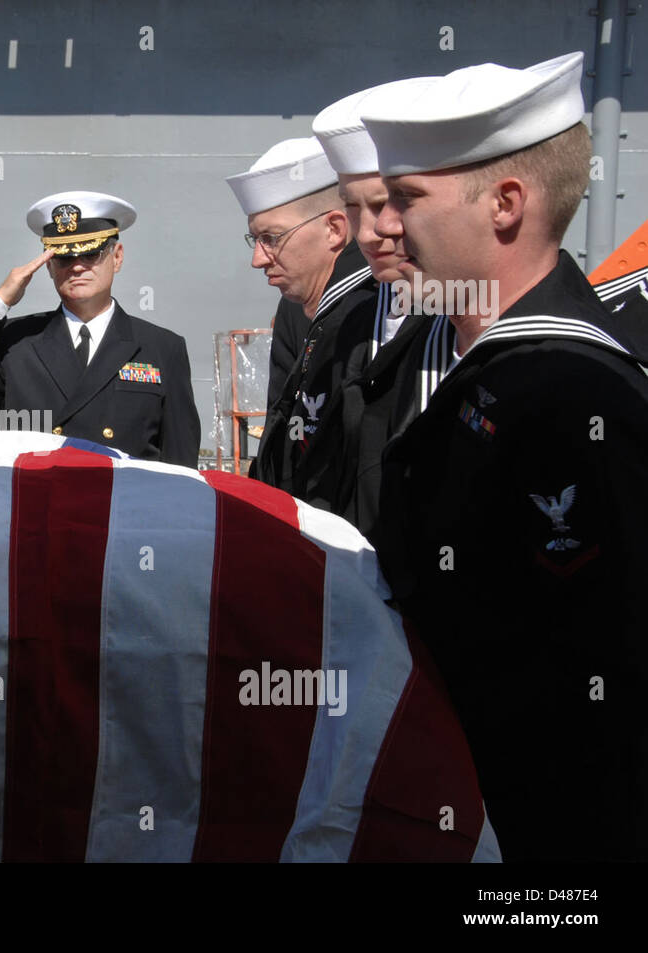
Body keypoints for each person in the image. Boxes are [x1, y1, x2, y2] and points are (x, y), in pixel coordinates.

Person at [363, 51, 648, 861]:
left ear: (506, 203)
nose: (382, 226)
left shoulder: (574, 395)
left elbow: (610, 697)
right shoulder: (466, 361)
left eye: (406, 199)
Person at [0, 191, 200, 466]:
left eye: (91, 254)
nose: (76, 267)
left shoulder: (161, 347)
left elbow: (180, 460)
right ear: (49, 266)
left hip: (123, 508)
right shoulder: (17, 342)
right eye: (63, 257)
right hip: (38, 506)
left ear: (117, 257)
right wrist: (0, 301)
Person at [311, 78, 457, 538]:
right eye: (355, 208)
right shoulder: (352, 319)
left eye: (390, 203)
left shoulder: (469, 313)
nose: (371, 231)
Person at [226, 138, 378, 510]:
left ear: (334, 229)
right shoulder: (297, 309)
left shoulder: (384, 308)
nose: (258, 260)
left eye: (271, 238)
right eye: (255, 239)